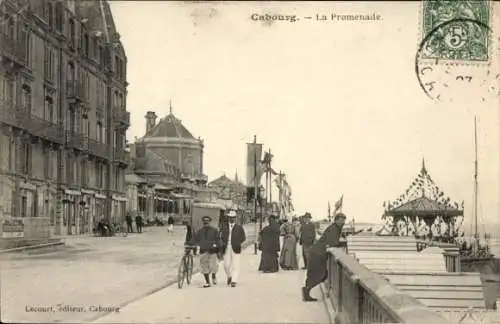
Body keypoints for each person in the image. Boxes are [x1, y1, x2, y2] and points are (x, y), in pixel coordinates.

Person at [302, 213, 346, 302]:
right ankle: (306, 291)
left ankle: (306, 291)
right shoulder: (334, 229)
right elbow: (332, 243)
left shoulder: (334, 228)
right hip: (318, 253)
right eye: (341, 220)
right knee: (320, 274)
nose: (343, 222)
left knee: (318, 274)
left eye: (344, 220)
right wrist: (342, 244)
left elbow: (331, 241)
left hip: (317, 252)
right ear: (336, 220)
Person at [191, 216, 220, 287]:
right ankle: (207, 282)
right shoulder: (200, 231)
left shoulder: (214, 230)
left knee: (213, 266)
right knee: (204, 267)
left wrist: (217, 246)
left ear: (210, 222)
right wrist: (191, 245)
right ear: (203, 223)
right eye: (204, 222)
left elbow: (218, 239)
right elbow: (195, 239)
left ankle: (213, 275)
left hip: (212, 251)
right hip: (203, 251)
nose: (206, 223)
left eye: (207, 222)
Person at [220, 209, 246, 287]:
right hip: (226, 247)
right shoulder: (224, 227)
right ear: (228, 218)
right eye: (230, 217)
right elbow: (221, 236)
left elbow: (243, 237)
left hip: (236, 248)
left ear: (235, 218)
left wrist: (237, 243)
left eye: (233, 217)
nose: (232, 219)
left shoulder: (239, 227)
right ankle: (229, 277)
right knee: (226, 265)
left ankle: (234, 280)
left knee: (235, 265)